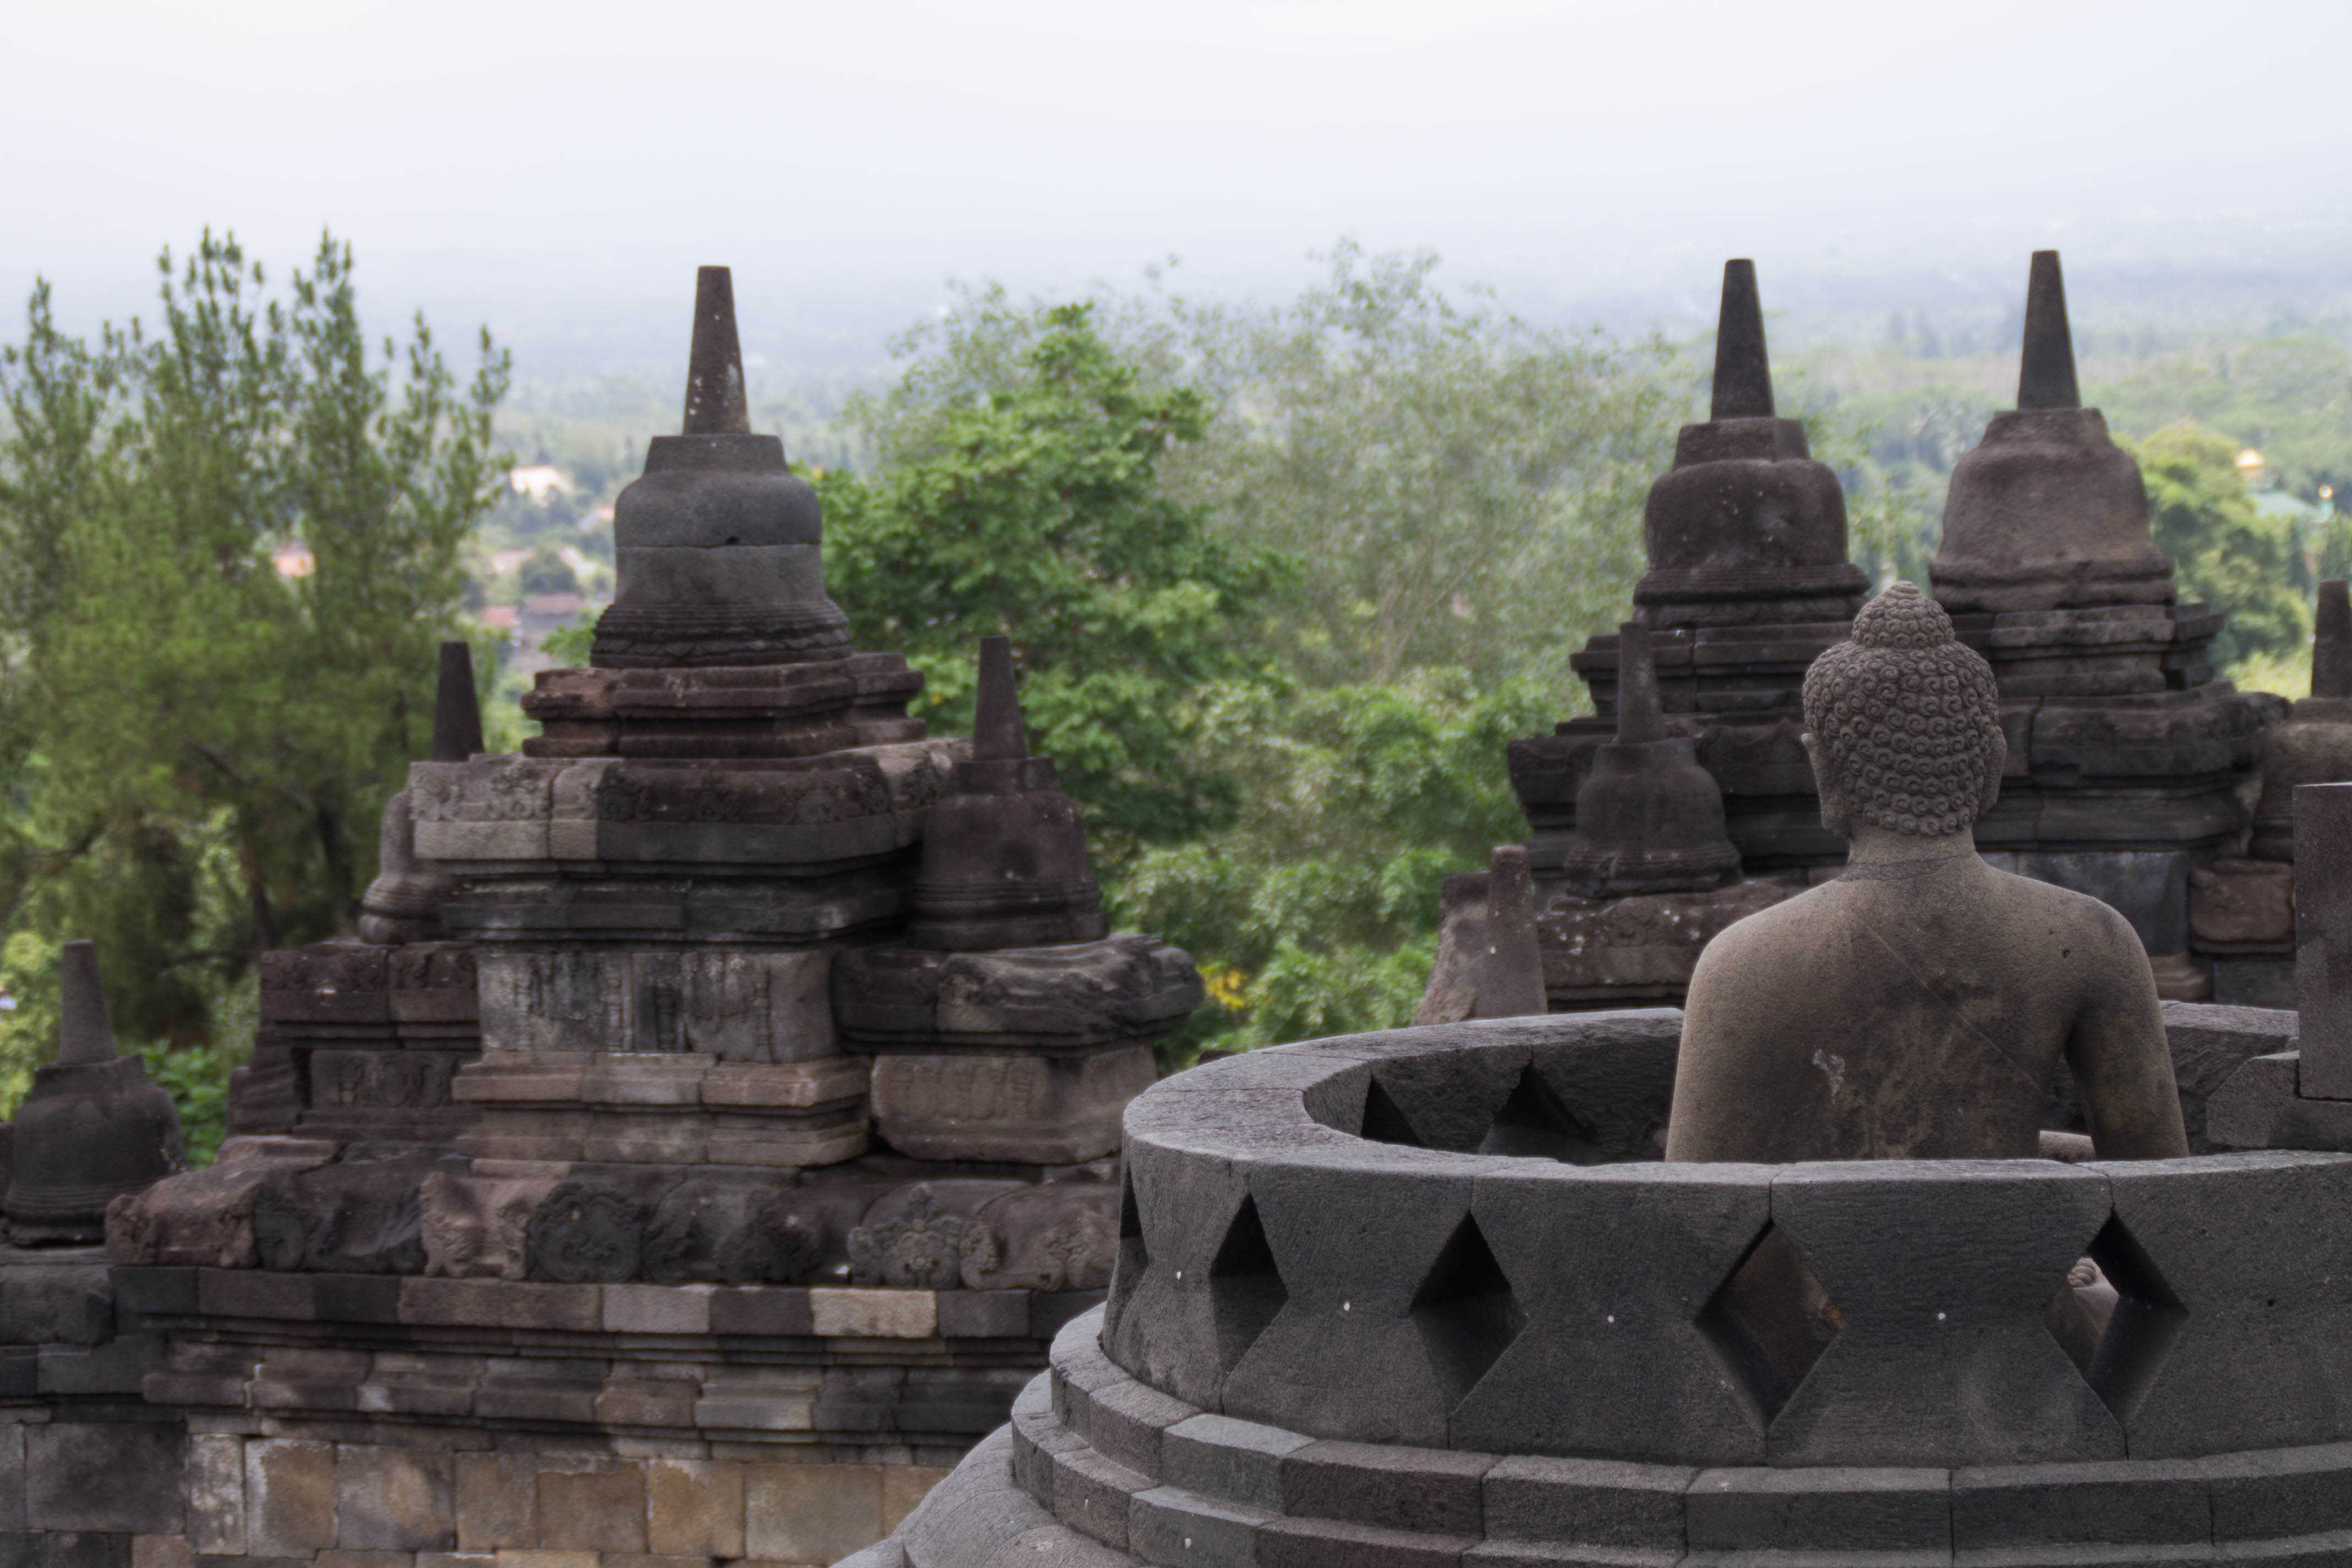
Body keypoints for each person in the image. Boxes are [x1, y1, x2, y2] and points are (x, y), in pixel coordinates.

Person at [1665, 581, 2188, 1165]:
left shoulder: (1740, 963)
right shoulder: (2094, 940)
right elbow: (2158, 1192)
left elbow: (1704, 1216)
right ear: (1993, 763)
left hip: (1822, 1257)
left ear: (1824, 769)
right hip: (2016, 1257)